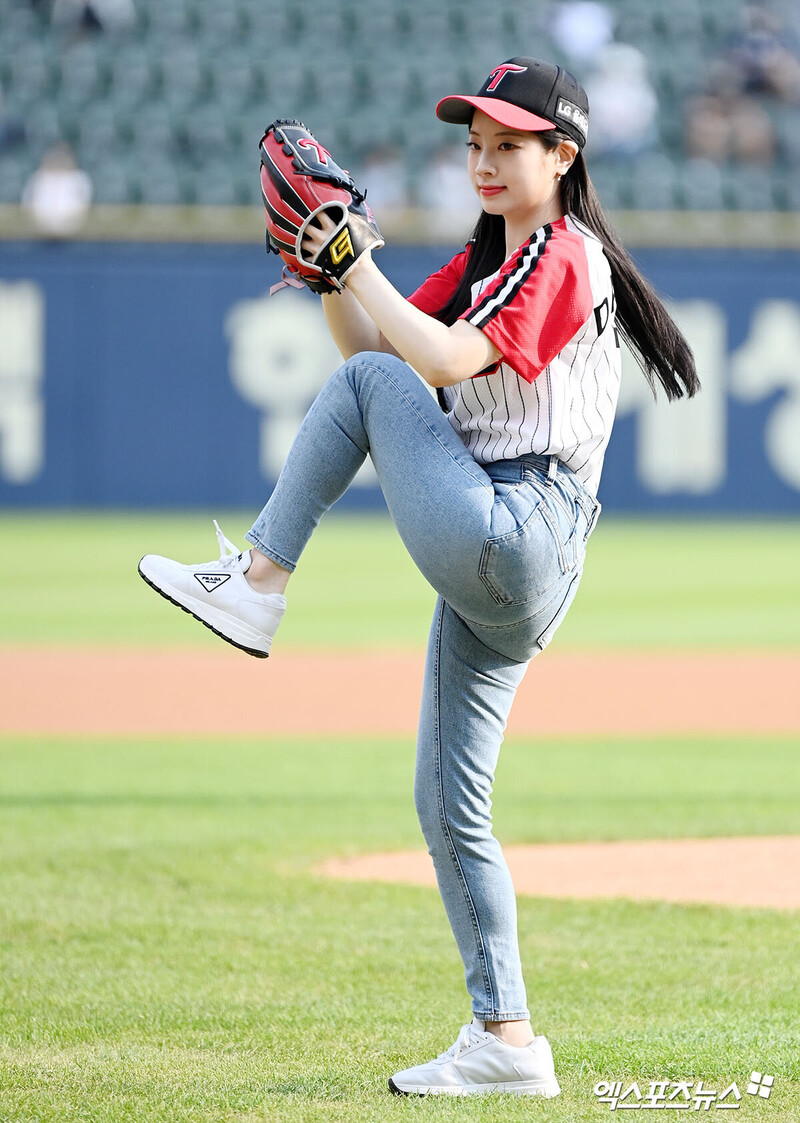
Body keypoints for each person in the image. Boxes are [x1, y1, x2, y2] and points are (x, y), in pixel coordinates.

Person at [139, 57, 698, 1097]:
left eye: (508, 144)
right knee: (448, 804)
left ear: (562, 156)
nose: (482, 161)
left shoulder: (564, 255)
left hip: (517, 522)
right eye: (474, 143)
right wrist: (329, 277)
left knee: (368, 381)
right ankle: (507, 1040)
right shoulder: (487, 259)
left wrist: (360, 270)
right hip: (501, 546)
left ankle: (259, 583)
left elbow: (428, 366)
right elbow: (372, 342)